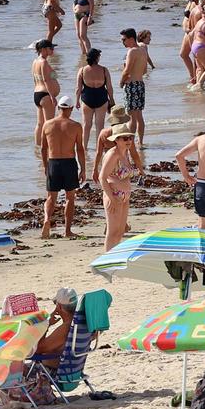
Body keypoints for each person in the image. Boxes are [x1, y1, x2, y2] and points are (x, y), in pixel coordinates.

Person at [38, 97, 85, 239]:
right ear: (70, 109)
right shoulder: (76, 126)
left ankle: (47, 219)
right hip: (69, 163)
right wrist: (83, 169)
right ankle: (67, 231)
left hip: (53, 162)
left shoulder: (47, 125)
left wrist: (46, 166)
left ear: (58, 108)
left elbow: (43, 149)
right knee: (70, 198)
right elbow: (80, 149)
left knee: (51, 198)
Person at [99, 115, 143, 251]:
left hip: (125, 197)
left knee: (119, 233)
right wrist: (111, 198)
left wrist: (139, 170)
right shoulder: (113, 154)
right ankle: (107, 262)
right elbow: (102, 177)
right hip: (114, 196)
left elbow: (125, 175)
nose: (129, 140)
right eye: (125, 138)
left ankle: (114, 260)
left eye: (130, 137)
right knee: (112, 233)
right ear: (116, 140)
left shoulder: (125, 153)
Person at [77, 48, 113, 169]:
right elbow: (109, 87)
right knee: (99, 126)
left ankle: (84, 148)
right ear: (97, 57)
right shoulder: (104, 70)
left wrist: (77, 101)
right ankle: (99, 148)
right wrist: (112, 100)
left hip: (87, 99)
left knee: (86, 125)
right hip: (101, 98)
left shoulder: (82, 70)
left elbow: (78, 89)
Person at [119, 28, 151, 149]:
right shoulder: (143, 50)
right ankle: (140, 142)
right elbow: (144, 70)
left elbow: (127, 70)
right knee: (139, 116)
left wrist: (121, 81)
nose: (123, 42)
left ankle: (130, 143)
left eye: (124, 40)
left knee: (132, 116)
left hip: (132, 85)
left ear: (131, 39)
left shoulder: (132, 51)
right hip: (140, 84)